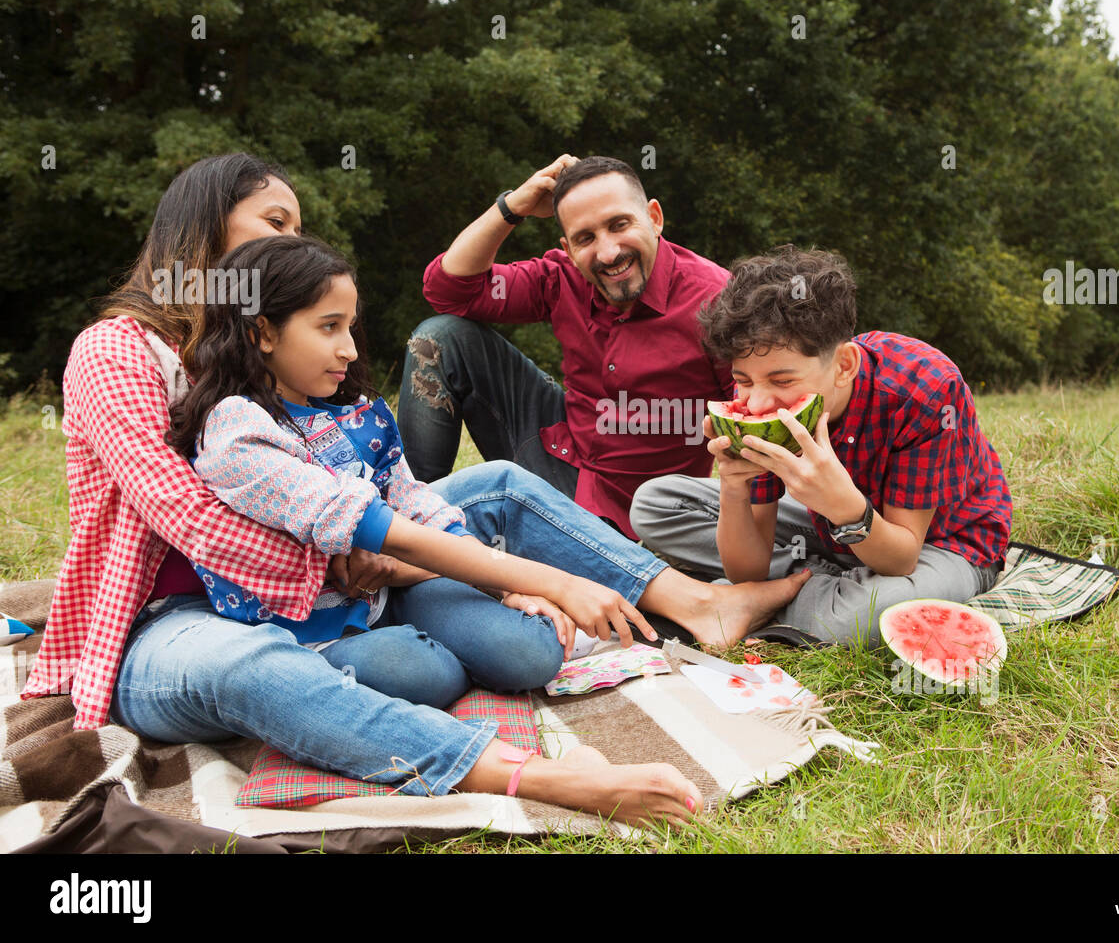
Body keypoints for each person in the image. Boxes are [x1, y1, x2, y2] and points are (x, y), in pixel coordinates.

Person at [23, 153, 806, 825]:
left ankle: (695, 601)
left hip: (348, 571)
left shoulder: (274, 352)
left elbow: (373, 483)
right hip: (183, 615)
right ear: (204, 231)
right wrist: (388, 561)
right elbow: (191, 516)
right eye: (273, 223)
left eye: (296, 227)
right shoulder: (117, 349)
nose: (292, 241)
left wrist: (418, 556)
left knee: (497, 486)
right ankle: (524, 771)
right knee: (246, 667)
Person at [630, 246, 1013, 648]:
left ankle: (766, 596)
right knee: (654, 503)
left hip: (940, 545)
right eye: (743, 381)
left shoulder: (926, 388)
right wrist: (732, 487)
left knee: (852, 622)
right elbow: (748, 570)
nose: (758, 404)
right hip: (823, 527)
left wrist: (842, 505)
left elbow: (901, 559)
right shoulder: (763, 386)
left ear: (844, 365)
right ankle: (818, 582)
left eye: (782, 382)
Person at [399, 154, 734, 538]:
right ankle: (414, 523)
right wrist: (512, 207)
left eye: (619, 225)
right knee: (439, 337)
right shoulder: (563, 278)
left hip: (641, 512)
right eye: (586, 238)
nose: (609, 253)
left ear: (654, 218)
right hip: (558, 455)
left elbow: (753, 411)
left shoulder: (718, 301)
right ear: (569, 248)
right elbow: (448, 290)